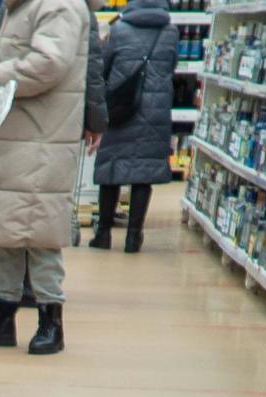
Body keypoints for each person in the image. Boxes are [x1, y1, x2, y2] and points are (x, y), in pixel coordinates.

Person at [0, 0, 96, 356]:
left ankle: (51, 318)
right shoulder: (22, 6)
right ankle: (2, 312)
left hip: (41, 134)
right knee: (6, 226)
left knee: (40, 228)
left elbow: (48, 63)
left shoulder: (57, 5)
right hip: (19, 133)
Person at [87, 3, 180, 251]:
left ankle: (104, 234)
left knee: (111, 168)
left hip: (121, 107)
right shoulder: (170, 31)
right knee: (144, 173)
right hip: (156, 108)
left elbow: (104, 66)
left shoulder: (120, 29)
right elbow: (172, 65)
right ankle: (133, 237)